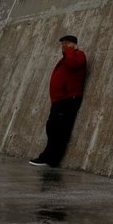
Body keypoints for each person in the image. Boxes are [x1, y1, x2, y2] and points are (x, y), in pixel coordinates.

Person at [29, 35, 87, 167]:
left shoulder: (78, 55)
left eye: (66, 44)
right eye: (62, 45)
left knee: (59, 131)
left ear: (73, 45)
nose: (63, 47)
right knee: (52, 128)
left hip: (68, 99)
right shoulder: (66, 58)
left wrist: (70, 50)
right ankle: (47, 156)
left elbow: (73, 65)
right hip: (59, 100)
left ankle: (51, 160)